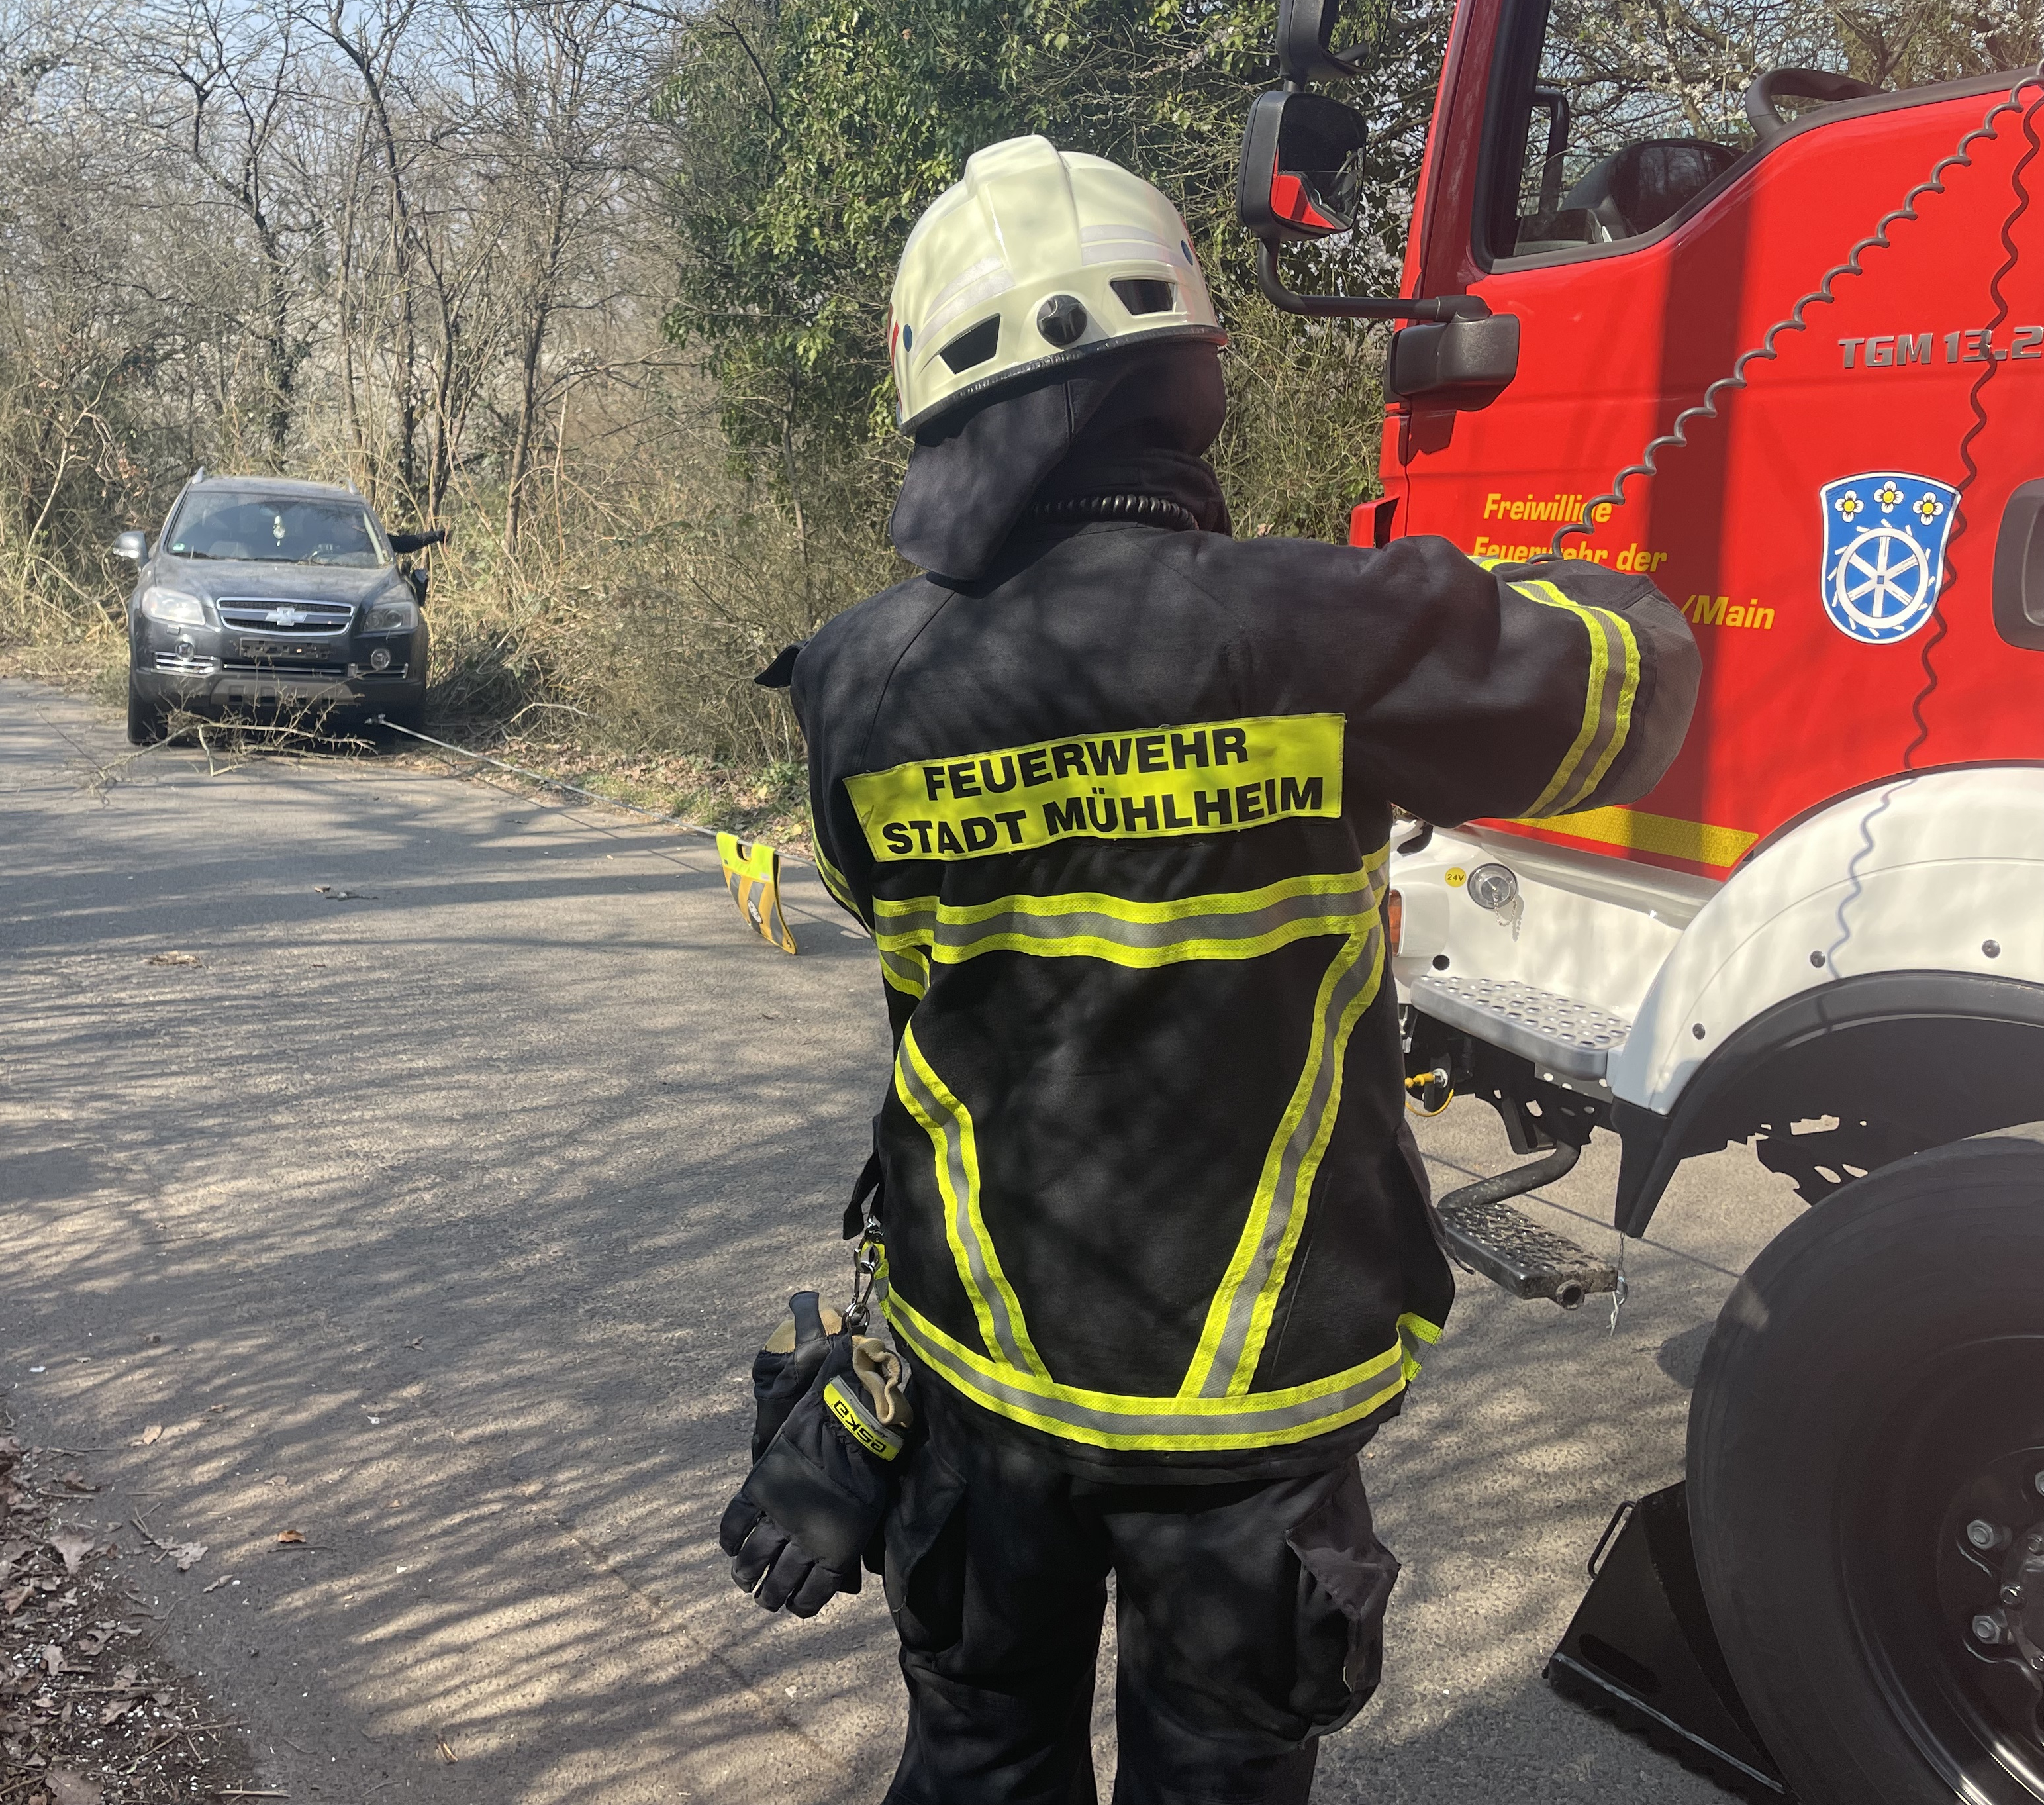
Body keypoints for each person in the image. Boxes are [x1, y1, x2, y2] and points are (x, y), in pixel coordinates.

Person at [724, 138, 1702, 1805]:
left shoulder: (855, 685)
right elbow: (1636, 689)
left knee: (975, 1755)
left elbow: (874, 903)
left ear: (937, 416)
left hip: (982, 1377)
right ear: (1187, 379)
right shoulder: (1332, 631)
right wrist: (1517, 590)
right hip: (1259, 1405)